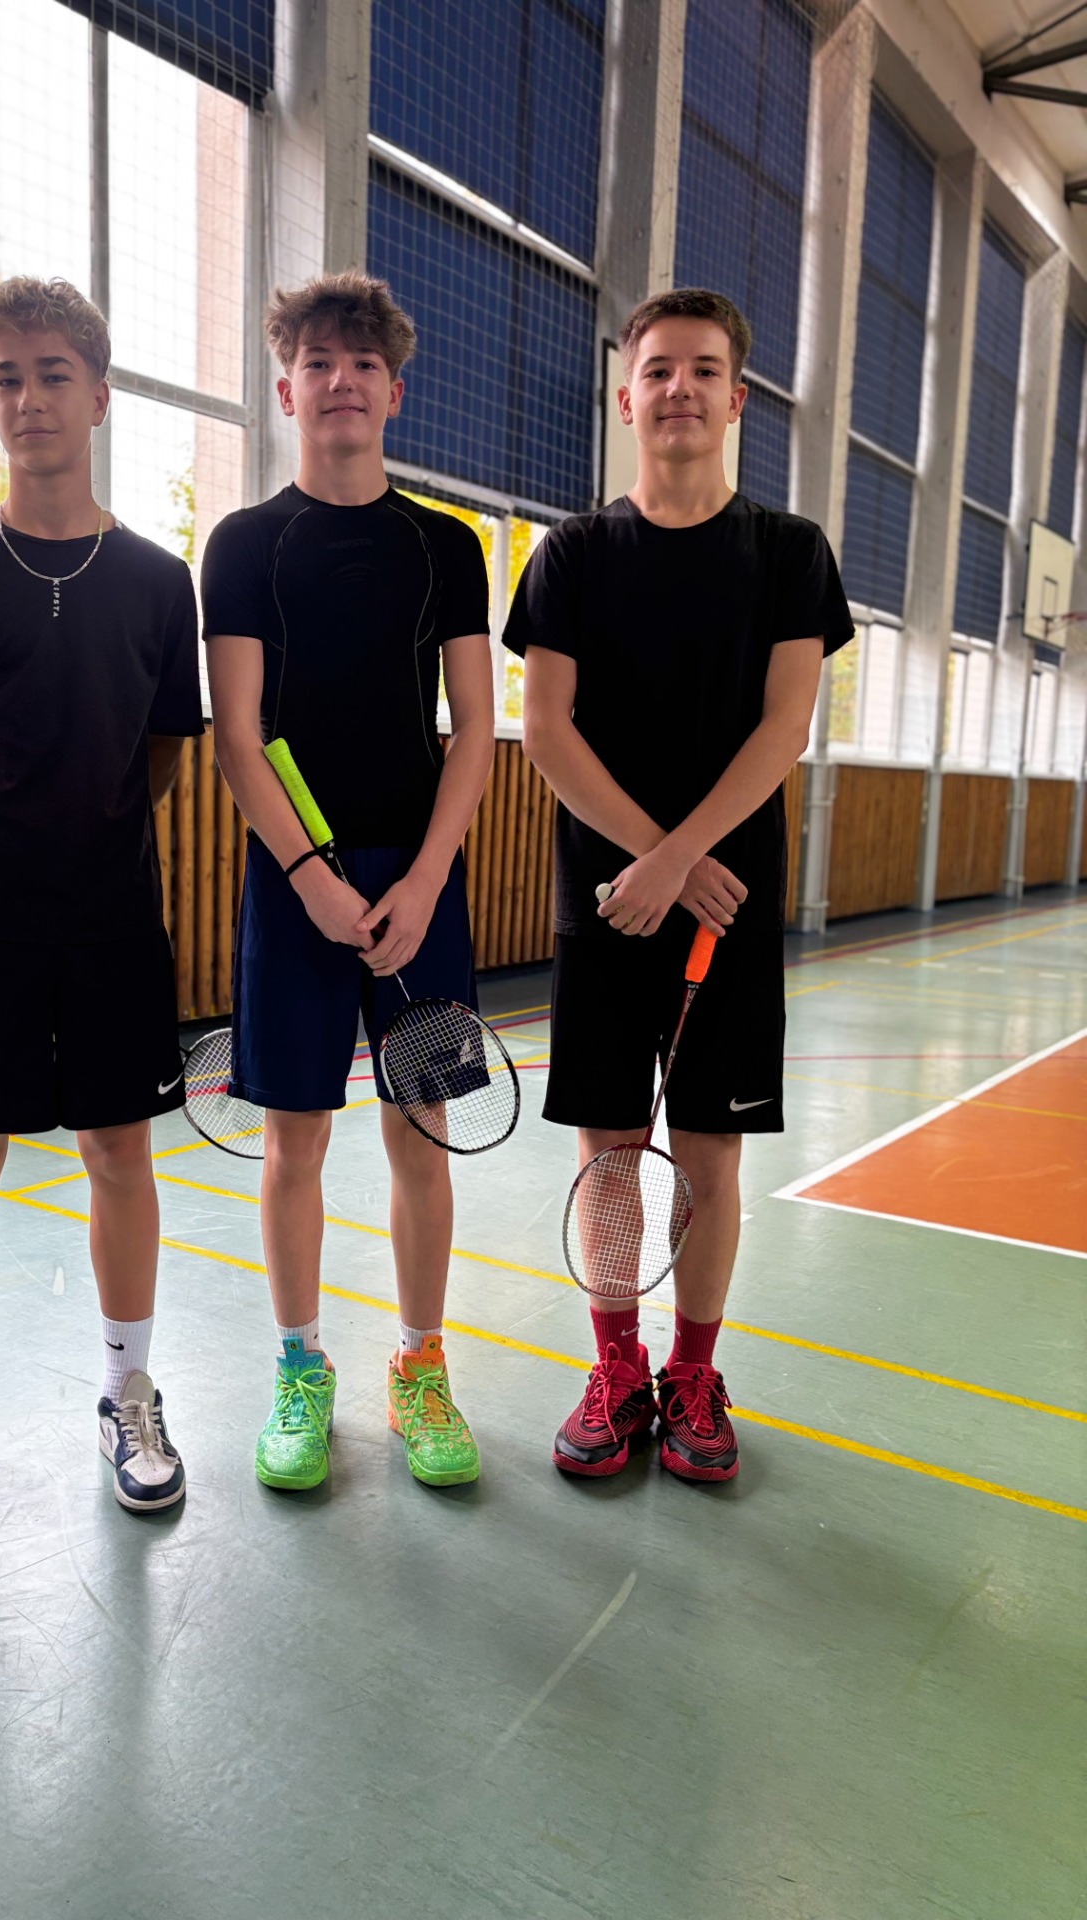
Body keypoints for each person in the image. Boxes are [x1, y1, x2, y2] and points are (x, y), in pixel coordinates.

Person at [506, 287, 854, 1484]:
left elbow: (783, 730)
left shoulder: (790, 554)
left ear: (736, 397)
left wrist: (678, 863)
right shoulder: (573, 555)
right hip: (606, 908)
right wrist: (653, 863)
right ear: (627, 396)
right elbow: (547, 731)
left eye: (704, 369)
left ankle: (693, 1375)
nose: (680, 389)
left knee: (711, 1157)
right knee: (610, 1154)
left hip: (726, 912)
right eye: (658, 369)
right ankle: (617, 1369)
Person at [0, 275, 203, 1540]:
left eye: (52, 374)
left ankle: (129, 1392)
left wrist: (86, 839)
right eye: (5, 378)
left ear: (100, 396)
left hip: (113, 918)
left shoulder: (158, 581)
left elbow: (161, 753)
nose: (28, 398)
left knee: (120, 1154)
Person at [202, 271, 495, 1492]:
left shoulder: (448, 547)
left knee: (423, 1128)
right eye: (317, 363)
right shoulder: (244, 545)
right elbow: (236, 732)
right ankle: (299, 1369)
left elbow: (474, 730)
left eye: (362, 364)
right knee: (295, 1141)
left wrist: (425, 882)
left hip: (418, 888)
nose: (340, 381)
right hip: (295, 889)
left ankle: (421, 1367)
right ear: (286, 390)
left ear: (394, 392)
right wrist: (313, 880)